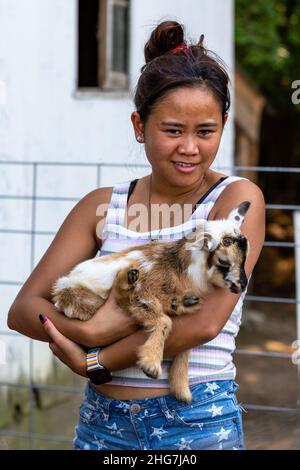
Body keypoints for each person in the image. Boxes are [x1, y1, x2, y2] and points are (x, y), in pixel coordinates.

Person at [7, 20, 265, 450]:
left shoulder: (234, 201)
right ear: (139, 125)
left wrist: (95, 356)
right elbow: (23, 309)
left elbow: (204, 322)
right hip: (102, 425)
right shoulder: (102, 208)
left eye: (205, 131)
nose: (190, 148)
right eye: (172, 130)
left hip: (195, 419)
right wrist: (90, 333)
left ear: (223, 124)